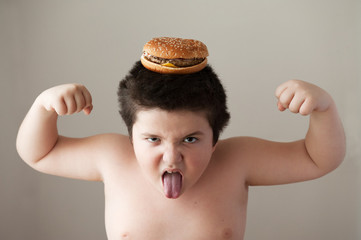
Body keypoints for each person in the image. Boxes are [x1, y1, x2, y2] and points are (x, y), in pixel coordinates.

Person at [16, 61, 345, 240]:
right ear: (130, 137)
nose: (171, 157)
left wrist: (324, 110)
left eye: (190, 139)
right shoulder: (114, 158)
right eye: (153, 139)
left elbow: (318, 159)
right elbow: (39, 153)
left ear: (215, 138)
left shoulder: (235, 161)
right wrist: (43, 107)